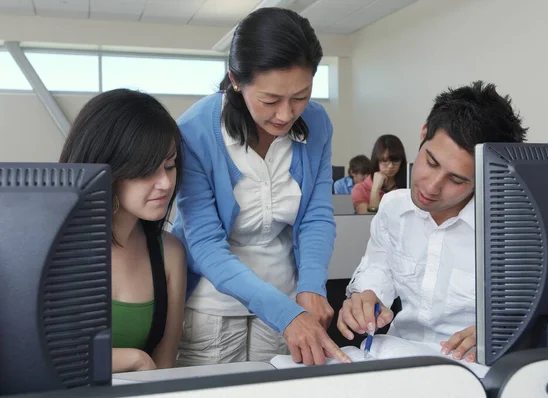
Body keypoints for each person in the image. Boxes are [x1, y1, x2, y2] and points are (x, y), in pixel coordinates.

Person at [171, 7, 350, 367]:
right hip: (213, 306)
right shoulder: (195, 130)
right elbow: (204, 243)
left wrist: (312, 286)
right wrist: (284, 313)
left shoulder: (316, 122)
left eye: (300, 96)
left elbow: (316, 216)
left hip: (290, 299)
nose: (285, 114)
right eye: (269, 100)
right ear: (235, 80)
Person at [337, 81, 528, 363]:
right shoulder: (393, 208)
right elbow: (378, 269)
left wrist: (500, 335)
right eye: (431, 162)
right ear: (424, 134)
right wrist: (365, 297)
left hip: (472, 369)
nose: (432, 187)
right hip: (398, 356)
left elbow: (539, 319)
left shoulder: (513, 229)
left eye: (457, 179)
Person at [59, 89, 187, 373]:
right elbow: (40, 356)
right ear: (107, 171)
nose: (165, 183)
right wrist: (134, 359)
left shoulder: (170, 253)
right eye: (146, 170)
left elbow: (164, 368)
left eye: (169, 165)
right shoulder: (54, 248)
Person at [352, 134, 407, 214]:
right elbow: (368, 219)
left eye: (395, 160)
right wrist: (375, 189)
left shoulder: (408, 187)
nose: (391, 166)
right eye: (384, 160)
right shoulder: (360, 189)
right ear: (376, 160)